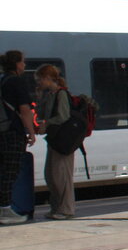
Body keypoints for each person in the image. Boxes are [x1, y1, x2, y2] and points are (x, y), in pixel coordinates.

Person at [0, 50, 37, 225]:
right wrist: (30, 131)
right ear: (16, 64)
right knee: (10, 171)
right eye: (23, 62)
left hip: (1, 131)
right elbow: (24, 110)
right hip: (12, 133)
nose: (24, 65)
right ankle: (5, 210)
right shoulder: (16, 82)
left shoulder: (1, 80)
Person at [34, 64, 75, 219]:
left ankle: (66, 209)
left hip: (63, 140)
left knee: (61, 175)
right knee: (51, 174)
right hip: (54, 139)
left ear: (47, 78)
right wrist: (39, 98)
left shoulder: (61, 94)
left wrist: (47, 123)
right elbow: (41, 112)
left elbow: (63, 116)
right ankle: (56, 207)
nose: (38, 83)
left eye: (39, 80)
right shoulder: (50, 94)